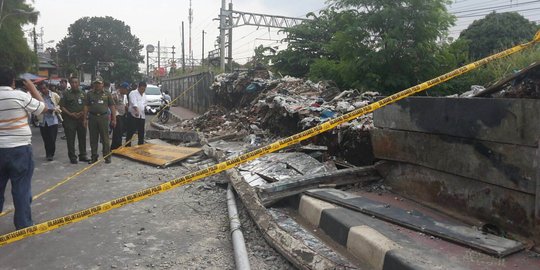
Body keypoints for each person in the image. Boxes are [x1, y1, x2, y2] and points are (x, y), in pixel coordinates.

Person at [0, 66, 46, 230]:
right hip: (19, 149)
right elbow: (42, 108)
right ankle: (23, 224)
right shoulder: (19, 96)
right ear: (13, 81)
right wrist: (32, 88)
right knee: (21, 188)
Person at [83, 79, 116, 164]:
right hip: (92, 117)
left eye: (99, 83)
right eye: (96, 83)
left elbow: (112, 106)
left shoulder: (107, 93)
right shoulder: (89, 94)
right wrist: (85, 118)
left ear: (102, 84)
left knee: (105, 138)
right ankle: (94, 157)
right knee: (93, 138)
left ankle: (107, 157)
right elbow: (86, 106)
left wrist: (114, 119)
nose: (97, 85)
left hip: (103, 118)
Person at [60, 77, 90, 164]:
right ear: (70, 83)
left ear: (79, 83)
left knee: (82, 137)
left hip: (81, 119)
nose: (74, 84)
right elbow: (62, 106)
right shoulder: (65, 94)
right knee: (70, 139)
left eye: (76, 82)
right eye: (72, 82)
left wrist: (82, 114)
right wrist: (70, 114)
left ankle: (83, 155)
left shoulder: (83, 94)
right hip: (69, 119)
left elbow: (86, 106)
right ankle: (72, 157)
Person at [36, 82, 61, 161]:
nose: (43, 90)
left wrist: (54, 110)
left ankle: (51, 153)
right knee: (46, 139)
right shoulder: (38, 96)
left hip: (53, 120)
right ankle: (48, 153)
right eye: (41, 89)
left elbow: (60, 105)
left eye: (44, 88)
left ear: (47, 88)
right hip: (43, 121)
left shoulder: (54, 95)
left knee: (52, 138)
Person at [126, 81, 147, 146]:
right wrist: (137, 111)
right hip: (133, 115)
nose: (143, 91)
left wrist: (148, 108)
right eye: (142, 89)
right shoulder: (133, 93)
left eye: (144, 89)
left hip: (142, 116)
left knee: (141, 132)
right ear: (138, 87)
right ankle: (128, 146)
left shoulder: (144, 95)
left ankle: (141, 145)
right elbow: (133, 103)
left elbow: (145, 104)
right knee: (130, 131)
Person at [111, 82, 129, 150]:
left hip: (123, 115)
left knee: (121, 131)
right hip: (117, 115)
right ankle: (114, 147)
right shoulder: (115, 95)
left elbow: (126, 104)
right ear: (122, 88)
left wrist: (127, 110)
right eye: (126, 90)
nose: (127, 91)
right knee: (117, 131)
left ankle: (119, 146)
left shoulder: (124, 95)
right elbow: (112, 105)